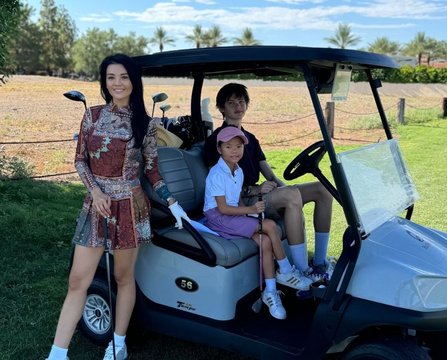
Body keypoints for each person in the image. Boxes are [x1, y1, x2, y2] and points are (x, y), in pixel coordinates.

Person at [46, 54, 190, 360]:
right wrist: (95, 191)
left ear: (133, 81)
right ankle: (58, 354)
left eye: (123, 77)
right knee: (77, 280)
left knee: (124, 278)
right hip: (96, 206)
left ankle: (119, 343)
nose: (117, 83)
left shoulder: (146, 123)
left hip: (130, 207)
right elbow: (80, 160)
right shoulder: (92, 116)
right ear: (104, 81)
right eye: (111, 77)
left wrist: (172, 202)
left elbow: (151, 169)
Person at [203, 83, 334, 282]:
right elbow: (221, 183)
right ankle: (301, 270)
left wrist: (284, 187)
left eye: (241, 102)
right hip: (240, 202)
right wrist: (254, 189)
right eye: (231, 103)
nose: (238, 106)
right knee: (291, 196)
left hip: (259, 194)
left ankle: (319, 263)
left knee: (322, 189)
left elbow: (270, 175)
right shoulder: (217, 142)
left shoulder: (250, 140)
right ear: (222, 108)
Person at [203, 126, 312, 319]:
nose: (235, 151)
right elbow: (222, 208)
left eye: (239, 146)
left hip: (232, 214)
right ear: (219, 149)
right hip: (217, 218)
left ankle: (269, 292)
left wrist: (249, 215)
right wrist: (251, 211)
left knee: (266, 241)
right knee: (269, 225)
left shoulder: (238, 170)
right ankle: (286, 270)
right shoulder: (217, 174)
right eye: (228, 147)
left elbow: (236, 200)